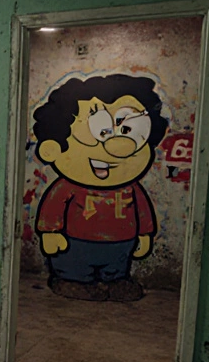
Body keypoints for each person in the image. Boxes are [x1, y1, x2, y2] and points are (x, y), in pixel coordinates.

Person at [32, 74, 169, 301]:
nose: (116, 147)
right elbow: (53, 208)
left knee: (116, 269)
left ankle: (115, 280)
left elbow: (142, 211)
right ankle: (72, 281)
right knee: (73, 266)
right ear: (53, 148)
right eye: (101, 133)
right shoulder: (67, 187)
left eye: (129, 133)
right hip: (75, 241)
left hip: (120, 242)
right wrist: (50, 232)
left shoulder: (130, 188)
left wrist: (145, 236)